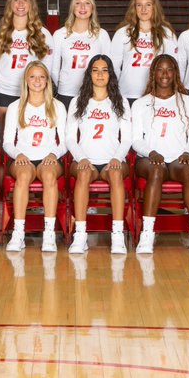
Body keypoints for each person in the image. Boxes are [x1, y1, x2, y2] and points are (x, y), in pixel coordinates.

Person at [131, 54, 189, 254]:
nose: (165, 74)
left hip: (178, 158)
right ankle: (147, 234)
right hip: (149, 159)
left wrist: (187, 152)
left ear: (175, 73)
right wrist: (151, 152)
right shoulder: (140, 103)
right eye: (160, 69)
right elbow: (136, 140)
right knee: (156, 170)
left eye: (169, 70)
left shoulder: (187, 102)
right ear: (153, 73)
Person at [67, 55, 131, 255]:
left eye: (105, 70)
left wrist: (117, 158)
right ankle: (80, 234)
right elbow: (70, 138)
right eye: (95, 70)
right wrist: (81, 158)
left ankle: (118, 235)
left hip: (112, 159)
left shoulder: (121, 102)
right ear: (89, 74)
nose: (100, 74)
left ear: (110, 74)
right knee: (84, 174)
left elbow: (127, 138)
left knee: (115, 174)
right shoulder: (78, 102)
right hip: (86, 160)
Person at [3, 61, 67, 253]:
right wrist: (18, 154)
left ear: (47, 80)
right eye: (32, 76)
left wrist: (53, 154)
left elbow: (64, 142)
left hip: (48, 157)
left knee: (49, 176)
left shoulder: (58, 106)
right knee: (22, 176)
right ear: (26, 80)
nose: (37, 80)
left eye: (41, 76)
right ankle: (18, 233)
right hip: (23, 158)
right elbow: (7, 142)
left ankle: (49, 234)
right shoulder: (16, 106)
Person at [0, 0, 54, 116]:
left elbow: (47, 67)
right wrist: (5, 80)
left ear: (31, 5)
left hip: (32, 92)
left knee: (28, 132)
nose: (20, 4)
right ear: (10, 4)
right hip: (4, 91)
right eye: (16, 0)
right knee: (4, 133)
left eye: (25, 0)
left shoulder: (43, 33)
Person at [112, 0, 178, 102]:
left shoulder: (167, 34)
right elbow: (114, 67)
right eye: (139, 5)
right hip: (127, 94)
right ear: (134, 8)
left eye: (148, 5)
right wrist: (115, 90)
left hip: (156, 95)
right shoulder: (122, 33)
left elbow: (174, 67)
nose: (143, 9)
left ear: (154, 7)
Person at [51, 0, 112, 110]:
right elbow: (54, 67)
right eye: (78, 3)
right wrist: (62, 84)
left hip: (94, 93)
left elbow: (110, 67)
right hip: (66, 92)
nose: (82, 7)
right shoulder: (59, 34)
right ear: (72, 8)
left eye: (87, 3)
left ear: (92, 8)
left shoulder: (102, 34)